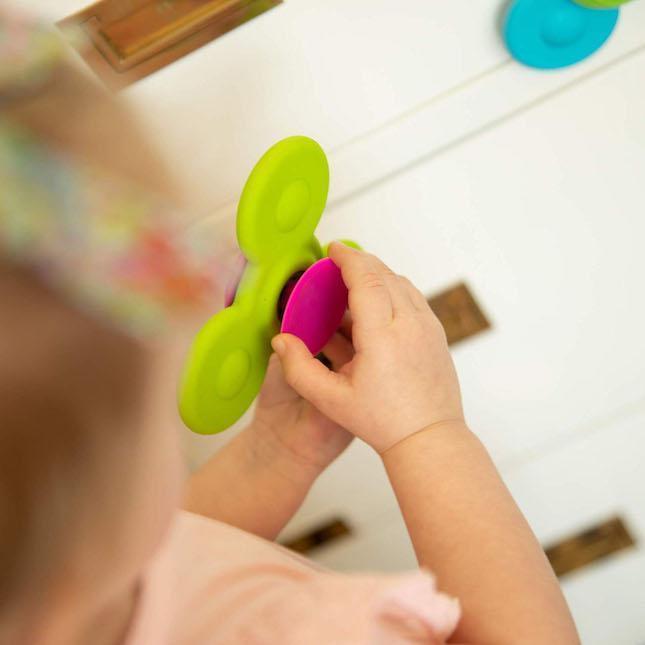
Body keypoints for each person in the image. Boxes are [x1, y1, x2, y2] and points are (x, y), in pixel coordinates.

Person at [0, 7, 580, 644]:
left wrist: (276, 455)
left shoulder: (61, 596)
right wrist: (429, 431)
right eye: (152, 405)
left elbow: (168, 558)